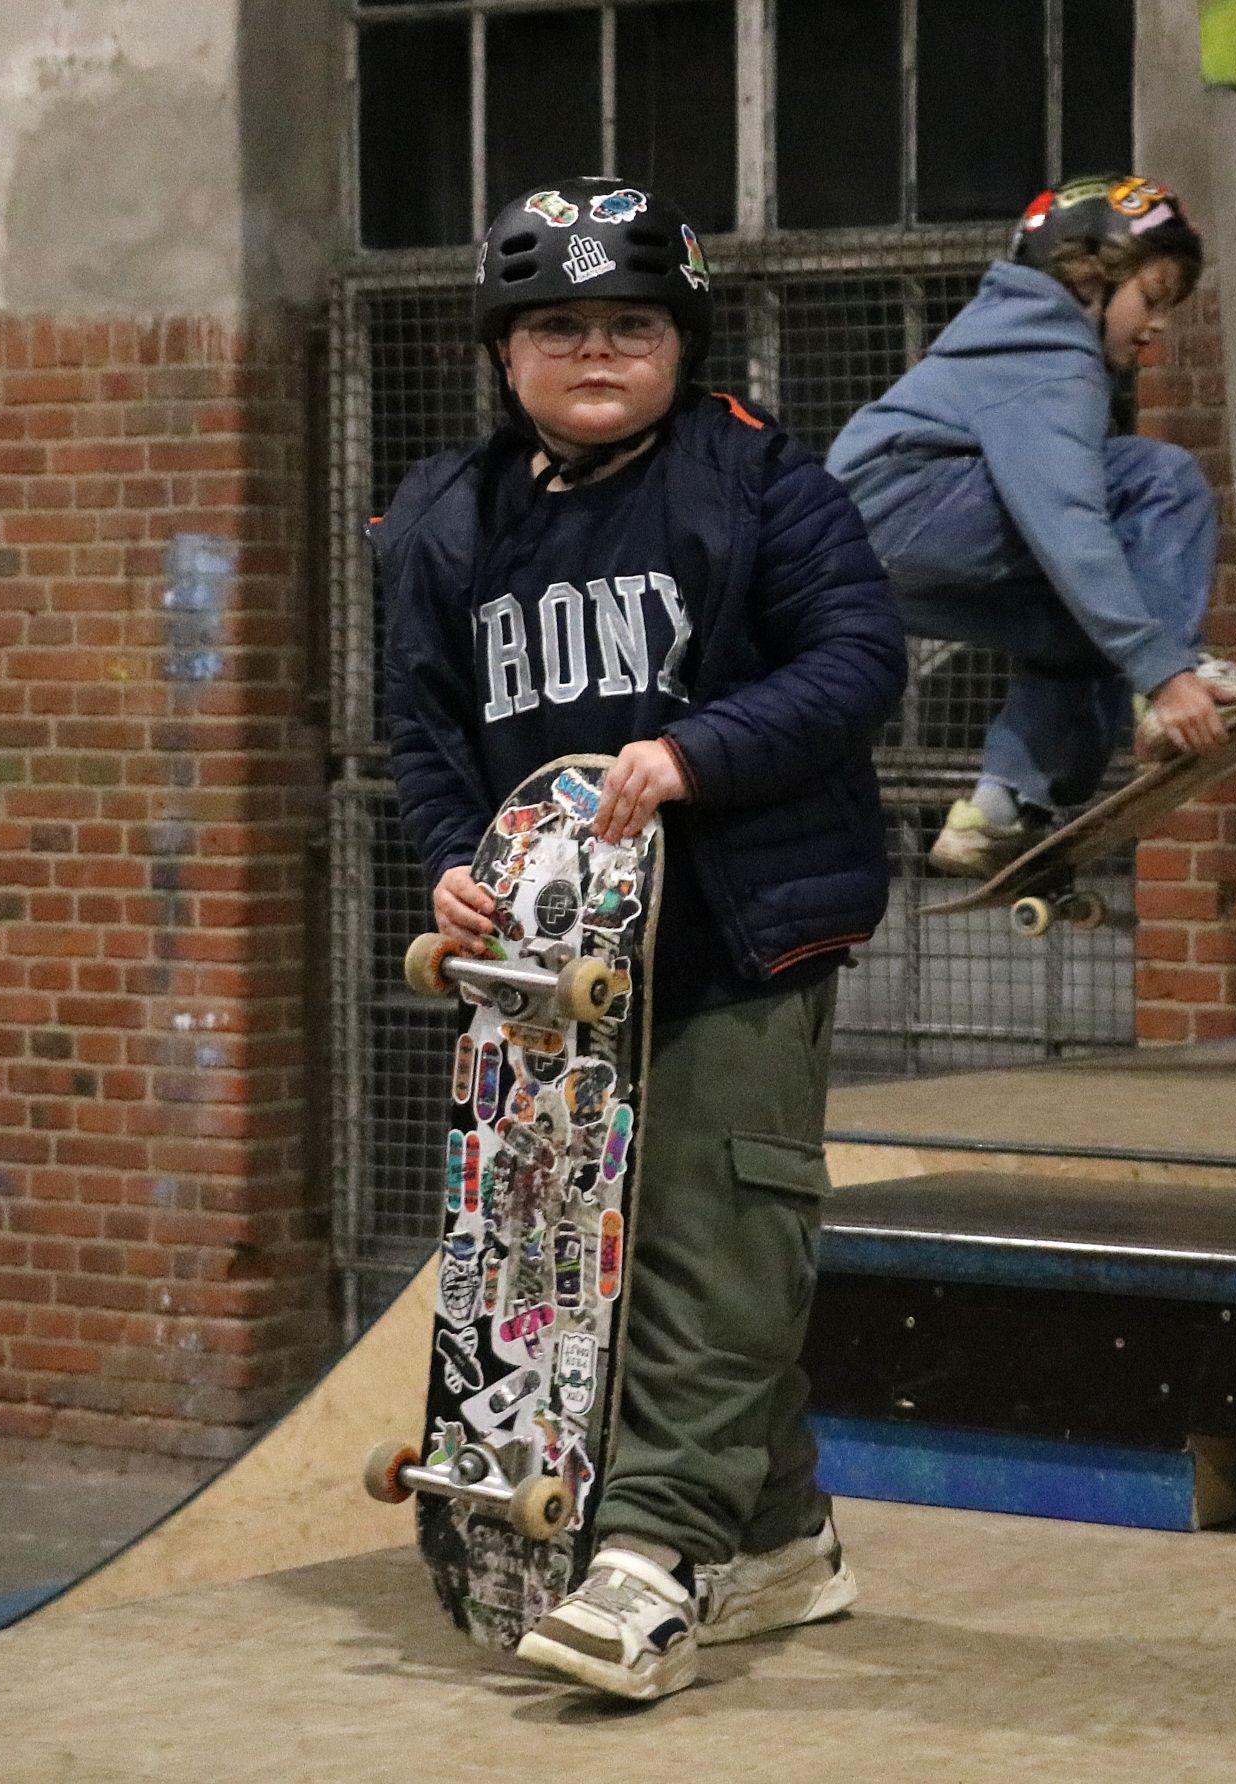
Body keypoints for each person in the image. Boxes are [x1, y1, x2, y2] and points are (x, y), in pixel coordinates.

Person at [372, 175, 906, 1701]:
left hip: (743, 928)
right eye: (556, 327)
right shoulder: (440, 520)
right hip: (556, 970)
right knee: (613, 1258)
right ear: (502, 350)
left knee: (713, 1228)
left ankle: (656, 1557)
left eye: (629, 324)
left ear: (679, 340)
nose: (594, 350)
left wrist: (697, 752)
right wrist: (448, 869)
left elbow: (861, 656)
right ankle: (785, 1544)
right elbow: (425, 734)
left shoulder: (757, 479)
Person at [827, 173, 1236, 878]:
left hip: (870, 557)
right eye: (1152, 300)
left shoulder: (1014, 336)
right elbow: (1066, 521)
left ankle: (1001, 810)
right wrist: (1165, 675)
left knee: (1082, 631)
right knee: (1163, 478)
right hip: (908, 503)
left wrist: (1127, 650)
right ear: (1090, 277)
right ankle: (1177, 680)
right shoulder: (1051, 354)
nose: (1157, 328)